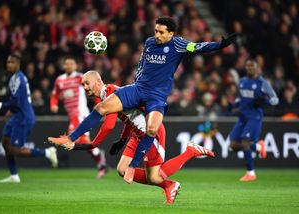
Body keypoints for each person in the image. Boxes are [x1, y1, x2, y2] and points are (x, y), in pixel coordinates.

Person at [48, 16, 236, 183]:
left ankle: (133, 166)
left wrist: (219, 45)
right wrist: (136, 83)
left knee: (152, 129)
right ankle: (70, 139)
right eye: (156, 31)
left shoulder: (179, 44)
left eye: (161, 32)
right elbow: (141, 65)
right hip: (138, 89)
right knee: (102, 108)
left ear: (171, 33)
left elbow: (197, 47)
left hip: (157, 96)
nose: (157, 35)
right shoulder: (149, 43)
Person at [49, 71, 215, 204]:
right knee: (122, 170)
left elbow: (108, 125)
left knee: (154, 177)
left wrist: (88, 145)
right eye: (83, 84)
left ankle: (190, 153)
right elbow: (130, 119)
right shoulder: (110, 93)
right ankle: (169, 185)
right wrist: (122, 140)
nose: (85, 87)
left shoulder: (109, 94)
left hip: (150, 133)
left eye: (87, 83)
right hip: (136, 135)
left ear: (98, 81)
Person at [0, 54, 58, 183]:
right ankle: (14, 175)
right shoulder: (13, 78)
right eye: (7, 62)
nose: (8, 64)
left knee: (15, 149)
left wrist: (2, 105)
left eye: (11, 62)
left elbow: (16, 101)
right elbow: (17, 100)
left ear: (18, 64)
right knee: (5, 143)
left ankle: (47, 153)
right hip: (16, 115)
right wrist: (10, 112)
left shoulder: (19, 78)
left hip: (23, 117)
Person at [50, 56, 108, 179]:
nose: (69, 66)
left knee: (74, 137)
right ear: (63, 65)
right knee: (83, 141)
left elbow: (93, 89)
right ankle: (99, 158)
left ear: (75, 66)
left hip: (80, 113)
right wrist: (53, 104)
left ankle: (99, 157)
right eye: (66, 63)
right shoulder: (59, 80)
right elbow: (55, 94)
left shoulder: (80, 78)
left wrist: (100, 104)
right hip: (72, 115)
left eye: (71, 63)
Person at [229, 58, 279, 181]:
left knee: (245, 141)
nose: (250, 68)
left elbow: (275, 99)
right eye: (248, 66)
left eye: (252, 66)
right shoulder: (242, 82)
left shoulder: (262, 83)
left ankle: (251, 173)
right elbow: (240, 98)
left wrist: (265, 101)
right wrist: (234, 106)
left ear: (257, 68)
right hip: (242, 116)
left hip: (254, 116)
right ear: (246, 68)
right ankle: (257, 147)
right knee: (233, 146)